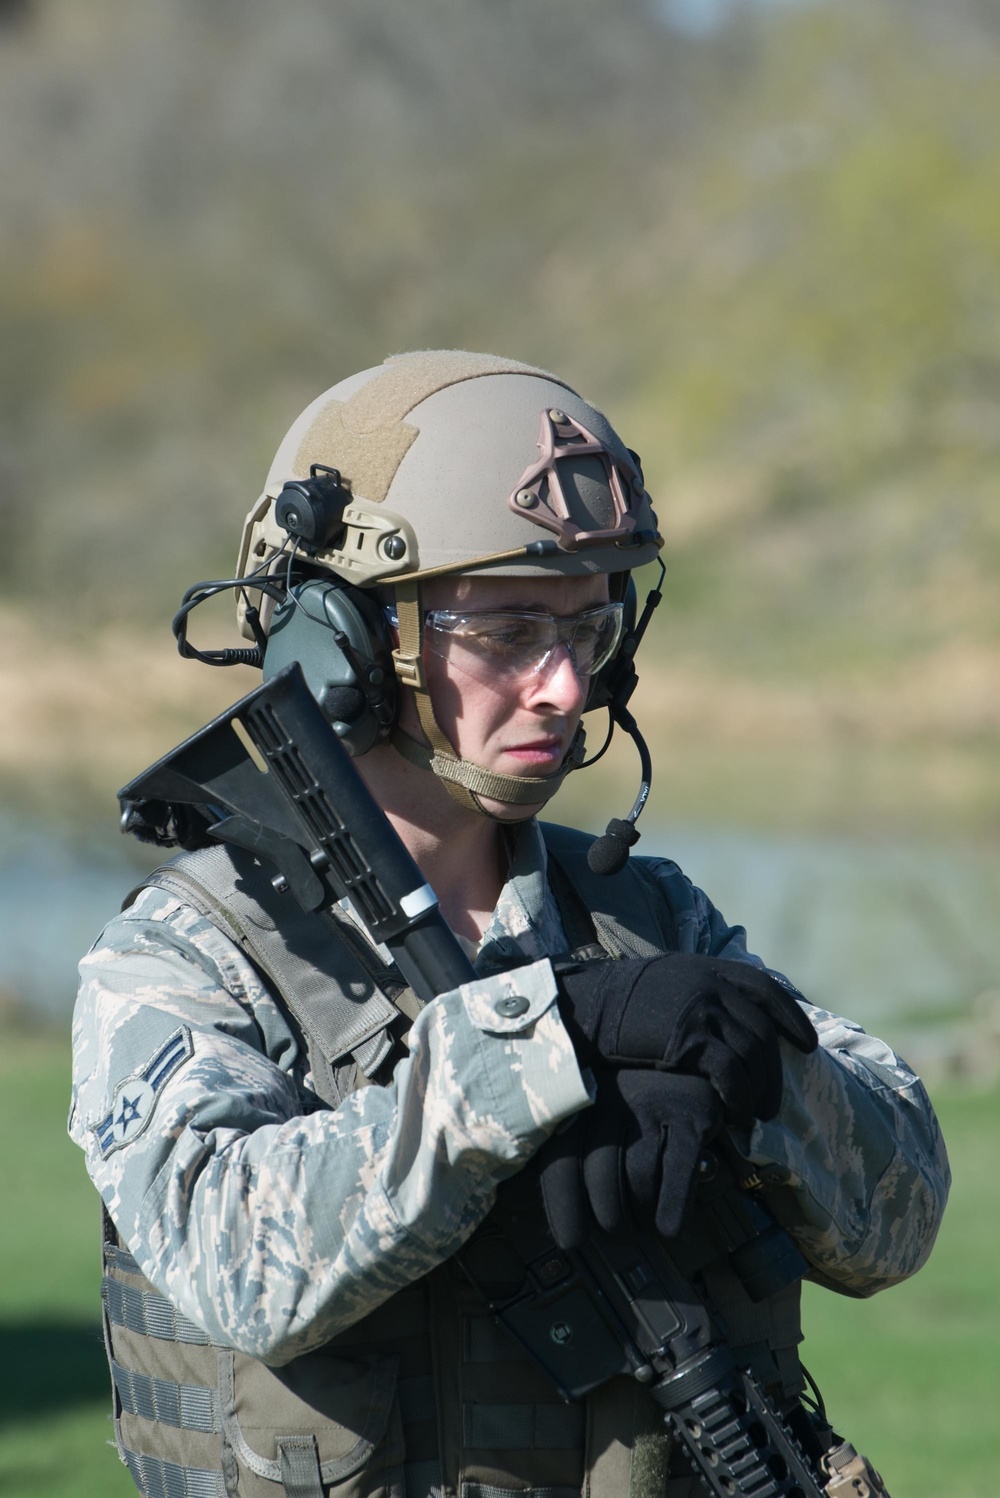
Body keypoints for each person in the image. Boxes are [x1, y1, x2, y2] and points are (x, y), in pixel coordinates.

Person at [70, 350, 949, 1498]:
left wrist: (751, 1090)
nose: (565, 687)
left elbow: (898, 1211)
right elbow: (235, 1260)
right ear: (340, 639)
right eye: (508, 631)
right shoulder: (186, 956)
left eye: (590, 629)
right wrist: (553, 1044)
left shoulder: (650, 917)